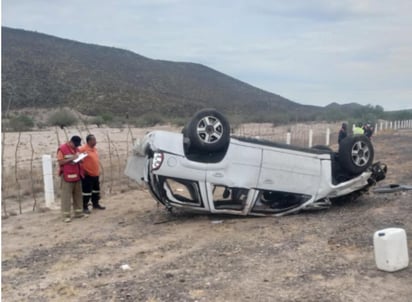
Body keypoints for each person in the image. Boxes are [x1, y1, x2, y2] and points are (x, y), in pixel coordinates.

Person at [57, 135, 85, 222]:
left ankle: (78, 213)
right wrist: (72, 158)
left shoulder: (77, 149)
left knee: (78, 195)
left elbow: (80, 159)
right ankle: (66, 216)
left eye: (78, 145)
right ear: (71, 142)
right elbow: (60, 162)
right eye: (75, 144)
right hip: (67, 176)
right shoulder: (62, 149)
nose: (77, 146)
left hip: (77, 175)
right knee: (66, 196)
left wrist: (80, 159)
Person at [79, 134, 105, 214]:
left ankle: (95, 204)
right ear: (89, 141)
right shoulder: (83, 149)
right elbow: (79, 161)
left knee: (96, 191)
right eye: (93, 140)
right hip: (87, 175)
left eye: (95, 140)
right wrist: (84, 170)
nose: (95, 141)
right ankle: (85, 206)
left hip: (95, 174)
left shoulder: (94, 149)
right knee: (86, 192)